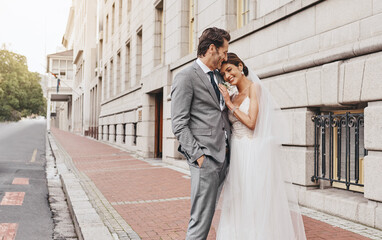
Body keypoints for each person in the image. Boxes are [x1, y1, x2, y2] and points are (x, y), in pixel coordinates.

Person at [216, 53, 306, 239]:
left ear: (240, 66)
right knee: (237, 200)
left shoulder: (254, 88)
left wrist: (229, 105)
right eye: (223, 74)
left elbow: (252, 122)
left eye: (229, 70)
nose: (227, 76)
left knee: (254, 200)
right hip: (237, 153)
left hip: (253, 151)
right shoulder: (232, 95)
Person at [171, 27, 231, 239]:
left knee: (219, 212)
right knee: (201, 219)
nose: (225, 57)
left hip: (226, 155)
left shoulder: (218, 76)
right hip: (206, 159)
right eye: (223, 52)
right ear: (212, 48)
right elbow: (179, 123)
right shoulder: (186, 77)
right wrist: (199, 157)